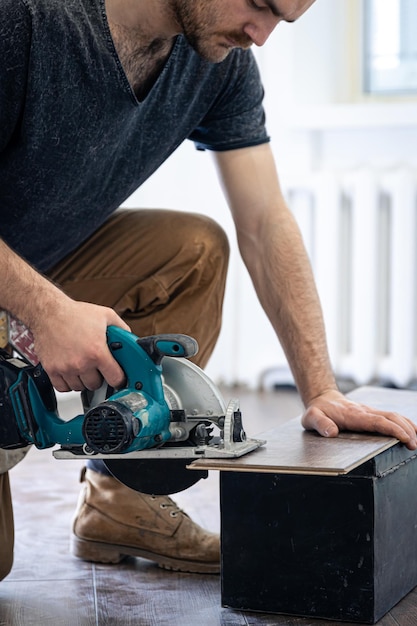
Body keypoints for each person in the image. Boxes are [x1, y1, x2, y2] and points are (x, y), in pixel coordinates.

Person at [1, 0, 416, 582]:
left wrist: (322, 391)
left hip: (26, 271)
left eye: (283, 20)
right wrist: (45, 310)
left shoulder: (221, 63)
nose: (262, 34)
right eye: (260, 5)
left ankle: (121, 496)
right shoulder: (26, 20)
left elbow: (265, 220)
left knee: (191, 250)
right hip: (19, 285)